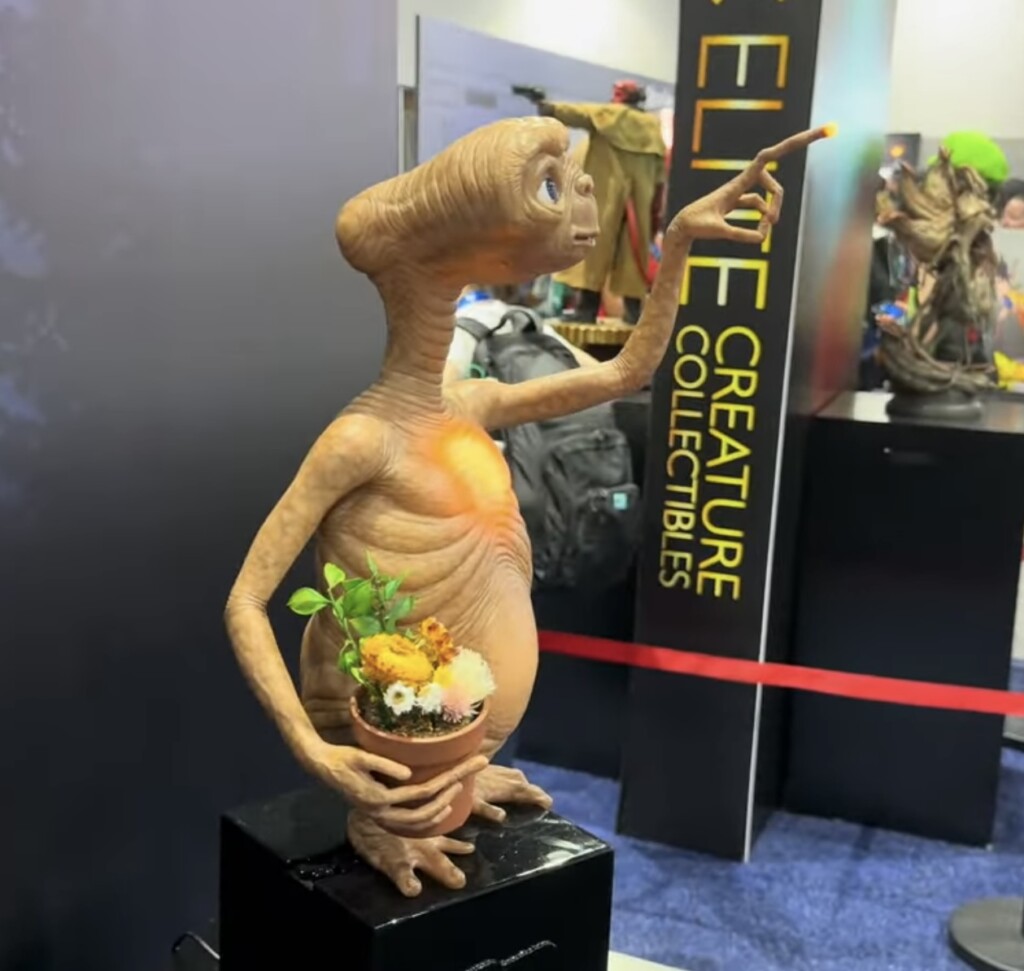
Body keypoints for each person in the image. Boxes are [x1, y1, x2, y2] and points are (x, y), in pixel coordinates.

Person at [515, 80, 667, 324]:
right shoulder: (652, 129)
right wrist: (655, 213)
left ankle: (587, 309)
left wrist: (545, 104)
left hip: (605, 198)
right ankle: (633, 312)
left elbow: (573, 113)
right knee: (633, 254)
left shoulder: (607, 116)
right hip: (639, 202)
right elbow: (660, 179)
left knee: (594, 251)